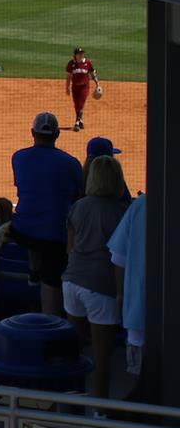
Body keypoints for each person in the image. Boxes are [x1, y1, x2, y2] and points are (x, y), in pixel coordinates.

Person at [65, 152, 131, 399]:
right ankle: (100, 410)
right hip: (102, 288)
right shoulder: (123, 212)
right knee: (102, 358)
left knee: (74, 352)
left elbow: (69, 249)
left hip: (72, 283)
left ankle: (71, 404)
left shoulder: (78, 206)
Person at [9, 111, 84, 317]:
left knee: (32, 231)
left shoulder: (19, 157)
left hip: (23, 229)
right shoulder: (71, 163)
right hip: (55, 234)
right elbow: (78, 195)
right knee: (52, 275)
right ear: (57, 134)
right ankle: (49, 323)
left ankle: (33, 273)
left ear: (33, 132)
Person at [108, 188, 147, 391]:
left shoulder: (141, 204)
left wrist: (121, 296)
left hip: (139, 315)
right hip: (143, 318)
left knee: (144, 387)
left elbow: (118, 258)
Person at [66, 47, 97, 132]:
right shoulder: (71, 64)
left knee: (81, 103)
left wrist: (97, 84)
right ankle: (81, 120)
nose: (81, 55)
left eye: (82, 53)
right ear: (75, 55)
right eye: (79, 54)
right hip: (75, 87)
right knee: (76, 104)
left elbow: (93, 73)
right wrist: (67, 87)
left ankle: (77, 122)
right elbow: (69, 77)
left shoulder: (88, 63)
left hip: (84, 87)